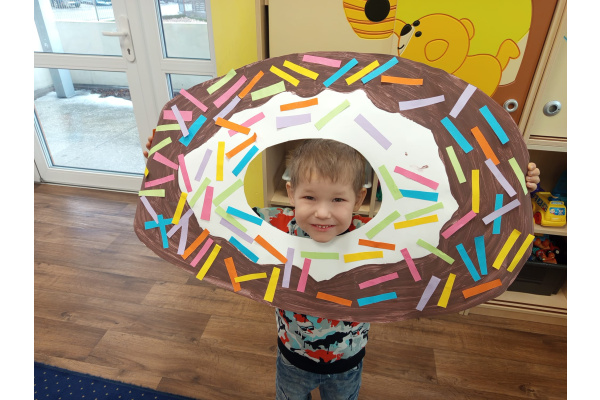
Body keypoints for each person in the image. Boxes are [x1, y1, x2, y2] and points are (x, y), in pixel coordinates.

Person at [143, 136, 541, 400]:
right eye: (309, 198)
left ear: (360, 198)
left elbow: (454, 226)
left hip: (348, 361)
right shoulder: (275, 225)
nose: (322, 213)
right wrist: (167, 165)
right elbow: (209, 210)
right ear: (290, 193)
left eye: (337, 200)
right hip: (291, 357)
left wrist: (512, 185)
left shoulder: (378, 237)